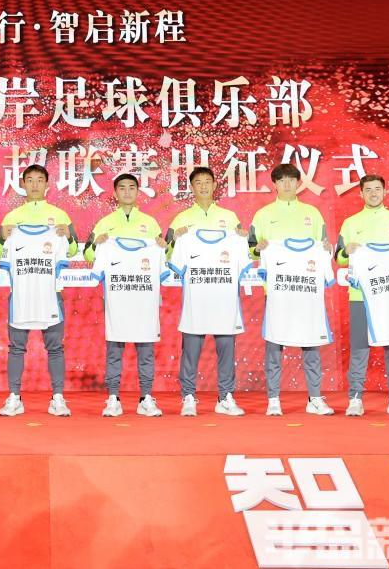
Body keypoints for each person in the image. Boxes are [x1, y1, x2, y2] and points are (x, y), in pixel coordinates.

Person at [249, 163, 333, 416]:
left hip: (307, 291)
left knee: (311, 344)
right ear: (274, 184)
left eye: (291, 179)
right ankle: (273, 399)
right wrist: (257, 249)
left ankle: (314, 398)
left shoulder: (313, 214)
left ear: (298, 183)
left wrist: (327, 248)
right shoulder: (263, 215)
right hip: (277, 292)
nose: (287, 184)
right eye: (282, 180)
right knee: (274, 345)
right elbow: (249, 249)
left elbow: (324, 246)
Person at [0, 164, 78, 417]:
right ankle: (14, 397)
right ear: (23, 184)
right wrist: (2, 238)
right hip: (21, 295)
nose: (34, 185)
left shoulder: (60, 216)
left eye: (39, 180)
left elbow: (73, 250)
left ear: (47, 185)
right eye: (29, 180)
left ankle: (58, 397)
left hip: (50, 295)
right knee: (16, 347)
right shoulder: (11, 217)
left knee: (55, 347)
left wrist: (68, 237)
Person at [335, 174, 389, 417]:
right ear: (361, 193)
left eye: (377, 189)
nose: (373, 193)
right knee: (360, 347)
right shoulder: (350, 223)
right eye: (368, 190)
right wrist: (346, 251)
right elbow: (339, 257)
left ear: (385, 192)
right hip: (360, 295)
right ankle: (355, 398)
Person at [84, 173, 168, 417]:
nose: (127, 192)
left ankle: (146, 398)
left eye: (132, 187)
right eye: (122, 188)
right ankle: (113, 398)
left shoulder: (150, 223)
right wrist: (96, 245)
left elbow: (163, 257)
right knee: (114, 350)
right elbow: (89, 255)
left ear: (138, 191)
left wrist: (163, 247)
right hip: (117, 299)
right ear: (115, 192)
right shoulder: (105, 223)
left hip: (144, 300)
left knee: (146, 351)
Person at [166, 167, 247, 417]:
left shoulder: (230, 217)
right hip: (196, 300)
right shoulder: (181, 220)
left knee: (226, 350)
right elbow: (167, 254)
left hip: (225, 301)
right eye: (198, 182)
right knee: (190, 351)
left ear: (214, 185)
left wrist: (243, 238)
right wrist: (174, 240)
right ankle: (188, 396)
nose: (203, 186)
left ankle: (226, 397)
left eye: (207, 182)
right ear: (191, 187)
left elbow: (246, 251)